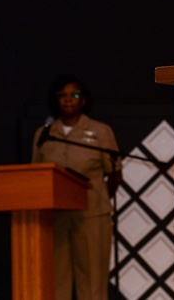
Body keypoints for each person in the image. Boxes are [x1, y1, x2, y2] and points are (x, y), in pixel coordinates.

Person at [32, 74, 122, 300]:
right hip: (55, 218)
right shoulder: (44, 134)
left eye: (74, 95)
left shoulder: (100, 131)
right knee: (56, 281)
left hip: (91, 215)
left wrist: (97, 200)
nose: (68, 100)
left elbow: (114, 174)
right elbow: (36, 175)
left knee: (92, 281)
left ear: (83, 100)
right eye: (62, 95)